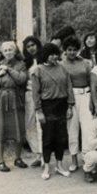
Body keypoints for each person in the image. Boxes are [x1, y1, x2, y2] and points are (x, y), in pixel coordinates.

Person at [31, 43, 76, 180]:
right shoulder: (37, 70)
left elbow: (69, 88)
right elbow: (36, 93)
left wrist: (69, 106)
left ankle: (59, 165)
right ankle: (46, 166)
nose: (54, 57)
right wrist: (39, 111)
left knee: (61, 137)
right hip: (47, 106)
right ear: (45, 55)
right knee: (47, 137)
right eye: (51, 54)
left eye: (56, 54)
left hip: (62, 105)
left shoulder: (62, 68)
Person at [0, 41, 28, 172]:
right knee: (0, 130)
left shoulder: (21, 65)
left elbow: (21, 79)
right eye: (5, 50)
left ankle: (18, 158)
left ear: (15, 51)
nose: (8, 53)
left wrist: (8, 69)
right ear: (2, 52)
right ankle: (0, 161)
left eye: (10, 50)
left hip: (15, 99)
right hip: (0, 101)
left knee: (17, 129)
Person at [61, 36, 95, 172]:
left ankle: (87, 158)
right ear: (65, 50)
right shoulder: (61, 65)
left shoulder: (85, 62)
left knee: (87, 129)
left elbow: (91, 82)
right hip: (71, 98)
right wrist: (68, 105)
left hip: (86, 95)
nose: (72, 52)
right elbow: (64, 85)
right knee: (72, 129)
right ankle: (74, 160)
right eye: (69, 50)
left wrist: (92, 100)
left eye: (75, 50)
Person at [22, 36, 43, 167]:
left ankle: (45, 154)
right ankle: (37, 154)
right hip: (29, 94)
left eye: (33, 45)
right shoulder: (25, 62)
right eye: (28, 46)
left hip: (43, 95)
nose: (31, 48)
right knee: (29, 124)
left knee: (42, 124)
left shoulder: (45, 58)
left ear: (38, 45)